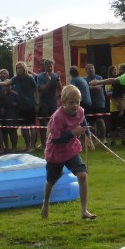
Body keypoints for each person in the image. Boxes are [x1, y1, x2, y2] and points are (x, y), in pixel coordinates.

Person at [42, 84, 96, 219]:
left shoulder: (80, 111)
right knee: (51, 181)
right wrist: (73, 132)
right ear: (63, 102)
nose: (75, 106)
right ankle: (45, 204)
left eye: (77, 102)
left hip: (71, 149)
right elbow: (56, 140)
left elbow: (83, 121)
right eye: (71, 103)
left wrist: (88, 136)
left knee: (82, 175)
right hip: (56, 153)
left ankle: (84, 210)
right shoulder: (57, 117)